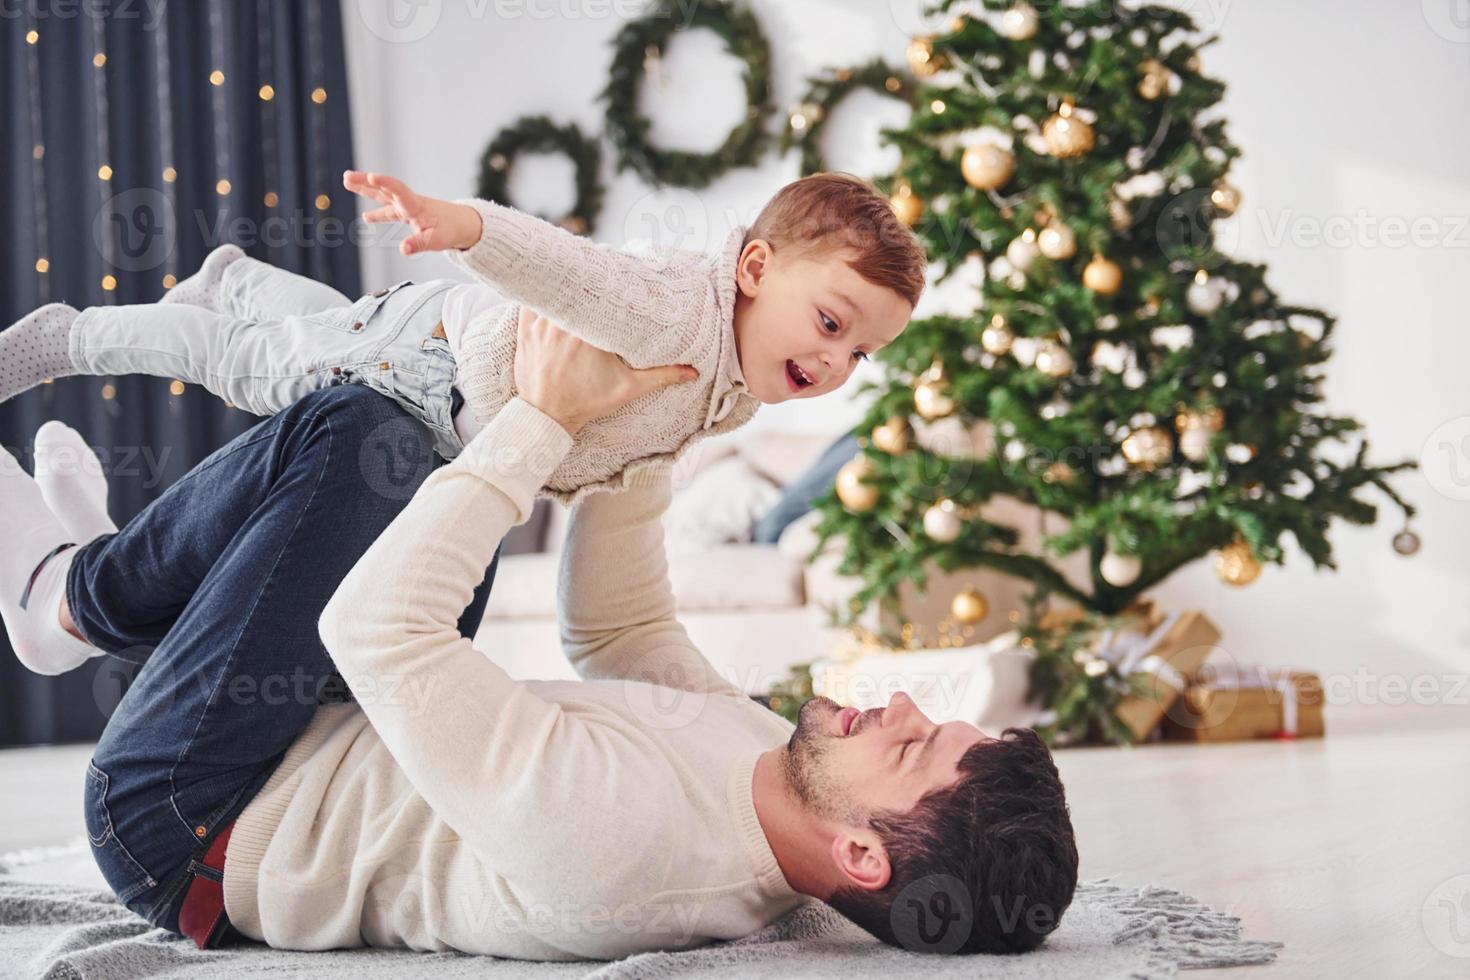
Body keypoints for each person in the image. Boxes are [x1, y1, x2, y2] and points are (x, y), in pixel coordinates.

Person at [0, 315, 1078, 959]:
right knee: (425, 441)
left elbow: (375, 630)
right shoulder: (778, 771)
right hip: (322, 731)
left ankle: (70, 598)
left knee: (371, 428)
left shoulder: (626, 849)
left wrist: (546, 424)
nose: (896, 705)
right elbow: (619, 628)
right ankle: (112, 583)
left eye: (907, 746)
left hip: (194, 824)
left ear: (860, 853)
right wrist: (666, 419)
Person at [0, 169, 924, 501]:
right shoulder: (678, 311)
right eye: (833, 324)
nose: (838, 363)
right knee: (253, 372)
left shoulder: (734, 383)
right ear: (756, 271)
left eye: (861, 353)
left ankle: (238, 278)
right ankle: (70, 336)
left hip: (423, 353)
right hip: (427, 366)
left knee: (325, 331)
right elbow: (573, 269)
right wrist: (467, 227)